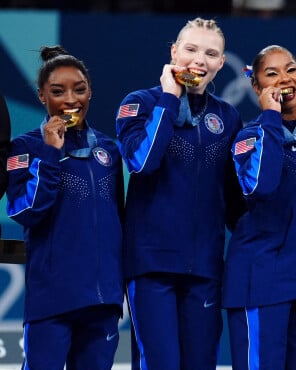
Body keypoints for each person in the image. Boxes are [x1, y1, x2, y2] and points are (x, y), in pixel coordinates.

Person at [115, 18, 245, 370]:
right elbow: (143, 163)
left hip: (204, 267)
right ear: (173, 51)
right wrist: (169, 100)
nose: (199, 60)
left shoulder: (228, 117)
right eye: (190, 49)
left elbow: (236, 200)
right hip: (151, 264)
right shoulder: (140, 104)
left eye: (211, 53)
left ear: (221, 63)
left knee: (200, 364)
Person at [5, 45, 124, 370]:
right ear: (42, 96)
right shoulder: (26, 147)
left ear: (91, 92)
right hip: (53, 299)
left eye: (79, 89)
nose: (71, 99)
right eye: (58, 91)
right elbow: (26, 209)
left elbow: (118, 219)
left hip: (103, 300)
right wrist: (49, 154)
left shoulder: (109, 150)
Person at [222, 45, 296, 370]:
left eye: (290, 69)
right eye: (271, 74)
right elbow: (262, 185)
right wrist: (271, 117)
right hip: (261, 286)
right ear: (257, 88)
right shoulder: (248, 137)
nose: (284, 79)